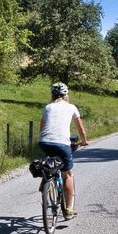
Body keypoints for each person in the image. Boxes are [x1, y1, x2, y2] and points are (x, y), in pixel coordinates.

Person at [38, 82, 88, 218]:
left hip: (43, 142)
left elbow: (42, 128)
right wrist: (83, 141)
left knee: (49, 162)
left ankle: (46, 178)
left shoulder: (47, 107)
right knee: (67, 174)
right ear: (66, 95)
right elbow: (81, 130)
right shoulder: (71, 107)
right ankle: (69, 209)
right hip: (62, 144)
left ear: (52, 95)